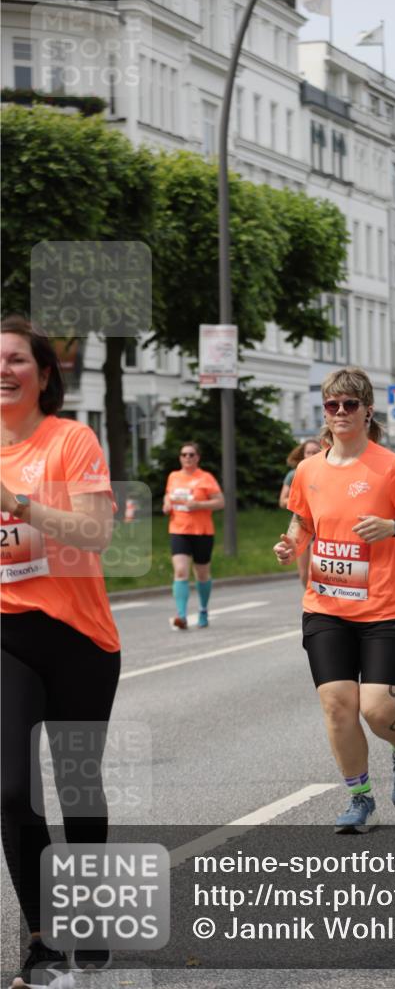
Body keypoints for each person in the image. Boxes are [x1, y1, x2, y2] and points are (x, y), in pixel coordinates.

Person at [1, 316, 121, 986]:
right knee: (11, 791)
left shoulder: (70, 440)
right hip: (6, 635)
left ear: (43, 375)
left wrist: (19, 504)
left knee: (77, 784)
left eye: (17, 359)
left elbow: (97, 532)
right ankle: (44, 941)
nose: (4, 370)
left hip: (79, 638)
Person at [273, 367, 395, 833]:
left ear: (367, 410)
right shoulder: (309, 469)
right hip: (326, 606)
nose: (341, 412)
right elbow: (301, 522)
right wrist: (291, 544)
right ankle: (360, 798)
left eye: (350, 404)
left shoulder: (392, 467)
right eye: (333, 405)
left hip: (385, 608)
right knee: (337, 704)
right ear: (325, 413)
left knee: (377, 710)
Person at [163, 442, 224, 629]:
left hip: (202, 531)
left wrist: (198, 505)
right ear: (180, 457)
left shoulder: (206, 478)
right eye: (183, 455)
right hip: (179, 530)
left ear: (197, 457)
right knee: (181, 571)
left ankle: (203, 610)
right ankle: (181, 615)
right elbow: (168, 495)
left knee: (202, 573)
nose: (187, 458)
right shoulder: (173, 476)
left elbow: (220, 502)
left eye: (191, 455)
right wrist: (166, 504)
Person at [279, 439, 321, 588]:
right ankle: (309, 597)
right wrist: (300, 499)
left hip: (320, 527)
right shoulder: (294, 474)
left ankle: (315, 602)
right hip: (301, 525)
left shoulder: (327, 472)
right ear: (303, 455)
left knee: (313, 573)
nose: (311, 455)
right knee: (303, 574)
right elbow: (282, 500)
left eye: (315, 452)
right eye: (308, 452)